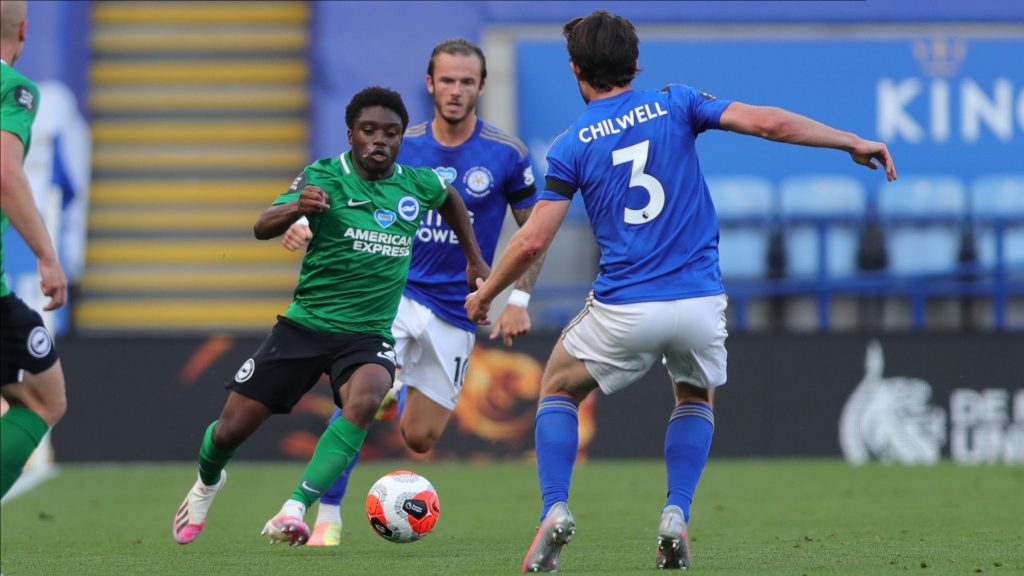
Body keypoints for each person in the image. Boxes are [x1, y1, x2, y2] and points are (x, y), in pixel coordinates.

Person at [464, 10, 897, 573]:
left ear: (576, 70)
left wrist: (486, 295)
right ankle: (675, 512)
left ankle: (555, 510)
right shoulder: (676, 102)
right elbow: (767, 122)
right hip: (698, 301)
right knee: (693, 397)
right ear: (636, 63)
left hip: (626, 305)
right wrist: (849, 142)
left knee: (558, 387)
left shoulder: (572, 144)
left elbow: (533, 240)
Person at [171, 86, 489, 546]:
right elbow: (262, 227)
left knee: (366, 398)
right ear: (351, 135)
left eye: (391, 133)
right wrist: (297, 208)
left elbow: (449, 197)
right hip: (305, 327)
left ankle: (295, 507)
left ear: (401, 139)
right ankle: (206, 484)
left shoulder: (416, 183)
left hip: (367, 335)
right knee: (229, 430)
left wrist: (473, 259)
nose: (379, 140)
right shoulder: (324, 177)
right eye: (369, 131)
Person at [281, 38, 545, 547]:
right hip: (392, 297)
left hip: (458, 310)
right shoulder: (401, 141)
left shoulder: (507, 153)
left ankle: (394, 387)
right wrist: (307, 227)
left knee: (420, 438)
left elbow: (533, 231)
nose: (455, 90)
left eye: (467, 81)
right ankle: (326, 517)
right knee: (359, 395)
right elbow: (344, 197)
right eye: (446, 80)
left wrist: (518, 299)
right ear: (430, 84)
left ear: (482, 87)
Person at [1, 0, 69, 500]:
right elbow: (5, 172)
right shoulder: (13, 89)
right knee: (45, 399)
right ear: (23, 30)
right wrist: (47, 255)